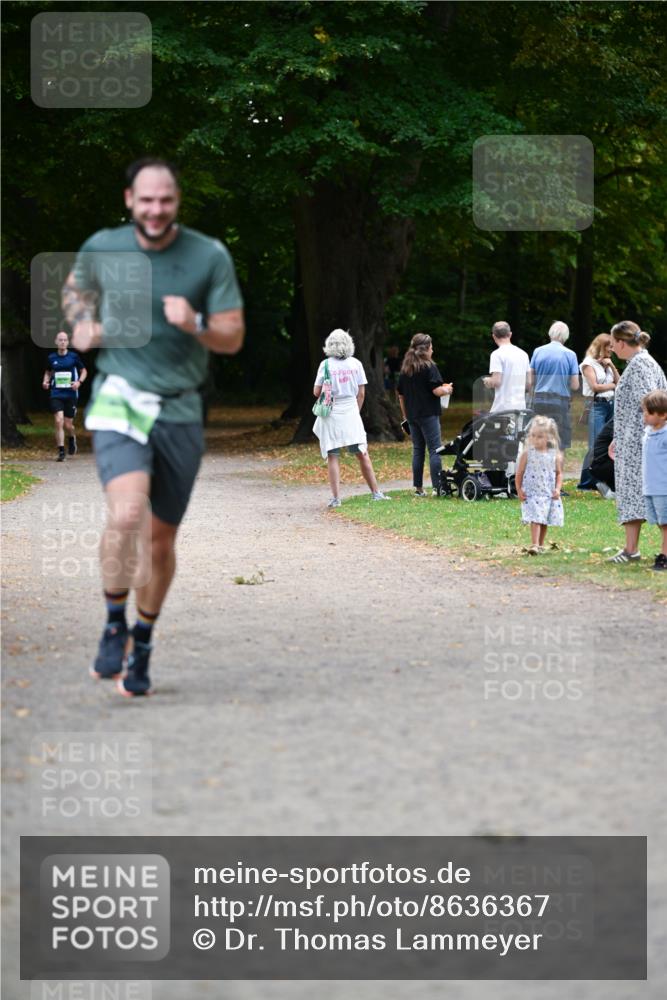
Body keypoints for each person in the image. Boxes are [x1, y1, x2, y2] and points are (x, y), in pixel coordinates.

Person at [64, 157, 245, 695]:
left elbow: (232, 337)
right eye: (146, 200)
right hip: (120, 399)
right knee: (125, 515)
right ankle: (114, 621)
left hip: (180, 407)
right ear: (129, 200)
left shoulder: (207, 255)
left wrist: (195, 323)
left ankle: (142, 640)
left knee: (161, 540)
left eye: (165, 200)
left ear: (177, 202)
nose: (156, 209)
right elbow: (75, 292)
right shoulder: (102, 247)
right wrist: (80, 324)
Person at [606, 321, 667, 564]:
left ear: (622, 342)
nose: (611, 348)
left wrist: (642, 439)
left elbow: (651, 404)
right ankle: (630, 548)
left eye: (613, 344)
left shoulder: (641, 365)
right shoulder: (642, 362)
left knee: (644, 494)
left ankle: (634, 550)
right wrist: (617, 438)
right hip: (632, 440)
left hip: (639, 445)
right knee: (632, 494)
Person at [312, 328, 390, 508]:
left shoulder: (325, 365)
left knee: (333, 455)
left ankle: (336, 498)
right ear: (349, 344)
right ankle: (376, 492)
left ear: (329, 345)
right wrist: (355, 412)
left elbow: (316, 392)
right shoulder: (356, 364)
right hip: (351, 412)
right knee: (362, 453)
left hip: (330, 413)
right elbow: (361, 393)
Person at [397, 333, 453, 497]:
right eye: (431, 347)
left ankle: (419, 488)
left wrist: (405, 416)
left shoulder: (406, 369)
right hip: (428, 414)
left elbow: (401, 395)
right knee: (435, 450)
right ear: (427, 349)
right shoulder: (429, 367)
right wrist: (447, 389)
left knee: (418, 450)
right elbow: (436, 391)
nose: (433, 350)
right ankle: (437, 488)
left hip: (412, 415)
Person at [515, 415, 564, 555]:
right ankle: (534, 544)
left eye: (540, 436)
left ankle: (540, 544)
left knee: (544, 519)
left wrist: (558, 488)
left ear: (549, 437)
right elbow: (519, 473)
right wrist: (519, 489)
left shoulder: (554, 455)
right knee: (536, 518)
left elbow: (559, 474)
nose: (535, 439)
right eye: (533, 436)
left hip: (547, 493)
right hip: (532, 493)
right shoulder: (527, 454)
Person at [528, 321, 579, 451]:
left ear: (550, 334)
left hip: (539, 400)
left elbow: (530, 381)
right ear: (566, 336)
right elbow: (575, 385)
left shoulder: (538, 351)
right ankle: (557, 470)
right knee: (559, 440)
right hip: (559, 402)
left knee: (539, 437)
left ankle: (539, 468)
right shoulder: (570, 354)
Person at [576, 333, 619, 490]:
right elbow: (595, 387)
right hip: (597, 406)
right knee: (596, 445)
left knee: (608, 444)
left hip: (611, 405)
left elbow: (619, 382)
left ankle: (602, 479)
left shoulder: (607, 363)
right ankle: (587, 482)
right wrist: (613, 385)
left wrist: (612, 366)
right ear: (601, 346)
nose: (612, 349)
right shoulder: (588, 364)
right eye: (609, 346)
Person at [41, 331, 87, 461]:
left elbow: (84, 371)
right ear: (56, 342)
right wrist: (45, 381)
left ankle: (72, 438)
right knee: (58, 421)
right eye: (60, 340)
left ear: (68, 342)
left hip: (71, 394)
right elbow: (48, 372)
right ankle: (61, 451)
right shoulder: (51, 358)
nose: (62, 342)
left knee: (68, 425)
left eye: (64, 340)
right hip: (56, 393)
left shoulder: (73, 357)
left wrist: (79, 382)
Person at [641, 390, 667, 572]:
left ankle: (664, 556)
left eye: (649, 413)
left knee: (665, 524)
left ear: (663, 415)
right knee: (660, 522)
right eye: (645, 411)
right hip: (650, 487)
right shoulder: (648, 432)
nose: (645, 416)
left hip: (663, 488)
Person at [482, 321, 530, 413]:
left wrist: (488, 380)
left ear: (494, 336)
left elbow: (496, 381)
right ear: (510, 334)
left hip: (502, 409)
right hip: (521, 408)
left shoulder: (497, 354)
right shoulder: (523, 354)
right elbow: (528, 384)